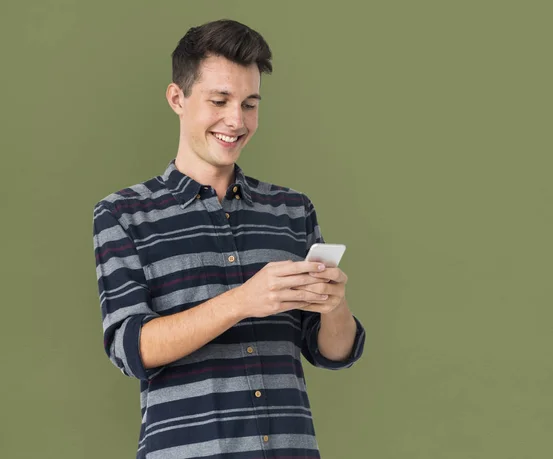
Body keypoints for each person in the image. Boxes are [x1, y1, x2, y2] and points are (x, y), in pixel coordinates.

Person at [92, 19, 366, 459]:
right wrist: (243, 300)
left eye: (250, 104)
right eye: (219, 100)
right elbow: (132, 349)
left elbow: (332, 351)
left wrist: (335, 305)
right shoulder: (123, 215)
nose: (236, 121)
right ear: (177, 98)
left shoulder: (292, 210)